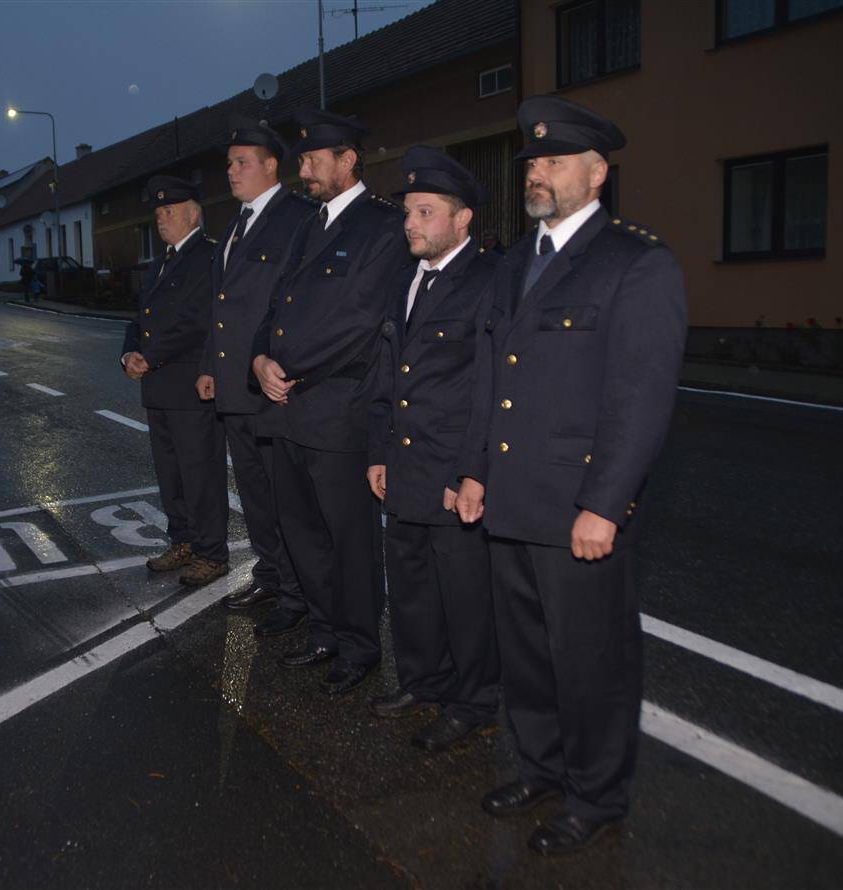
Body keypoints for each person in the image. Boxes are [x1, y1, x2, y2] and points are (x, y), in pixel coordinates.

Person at [456, 95, 687, 855]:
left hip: (578, 504)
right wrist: (473, 472)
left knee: (590, 660)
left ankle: (596, 796)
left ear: (597, 174)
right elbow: (490, 377)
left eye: (554, 161)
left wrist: (606, 504)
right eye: (533, 161)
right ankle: (541, 769)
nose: (538, 173)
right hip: (511, 496)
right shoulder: (512, 263)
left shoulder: (634, 262)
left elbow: (640, 397)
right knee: (525, 652)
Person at [250, 109, 406, 696]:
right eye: (303, 160)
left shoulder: (382, 227)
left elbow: (362, 323)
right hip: (287, 406)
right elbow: (276, 308)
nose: (305, 170)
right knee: (302, 532)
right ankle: (324, 632)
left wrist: (289, 369)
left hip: (339, 409)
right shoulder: (308, 225)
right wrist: (259, 359)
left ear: (349, 159)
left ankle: (359, 645)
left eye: (315, 160)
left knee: (350, 540)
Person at [365, 147, 501, 748]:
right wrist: (377, 452)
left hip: (452, 471)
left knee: (465, 596)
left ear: (462, 218)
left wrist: (472, 471)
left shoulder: (489, 281)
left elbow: (492, 389)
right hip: (403, 465)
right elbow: (386, 373)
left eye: (425, 212)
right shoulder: (406, 280)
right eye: (407, 212)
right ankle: (423, 680)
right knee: (412, 585)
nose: (410, 223)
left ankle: (474, 701)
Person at [196, 117, 312, 633]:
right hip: (234, 386)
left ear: (271, 166)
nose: (231, 171)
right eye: (229, 163)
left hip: (270, 386)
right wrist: (209, 366)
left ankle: (297, 591)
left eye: (242, 162)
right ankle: (271, 573)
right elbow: (220, 305)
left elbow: (297, 305)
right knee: (254, 492)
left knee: (285, 496)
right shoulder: (235, 224)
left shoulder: (298, 218)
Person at [120, 175, 229, 588]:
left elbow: (198, 321)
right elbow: (139, 319)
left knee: (201, 474)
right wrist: (129, 354)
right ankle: (182, 541)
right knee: (171, 475)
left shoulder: (208, 257)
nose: (160, 218)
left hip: (189, 385)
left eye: (169, 211)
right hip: (158, 387)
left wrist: (150, 357)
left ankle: (211, 552)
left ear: (192, 215)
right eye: (158, 212)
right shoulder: (160, 262)